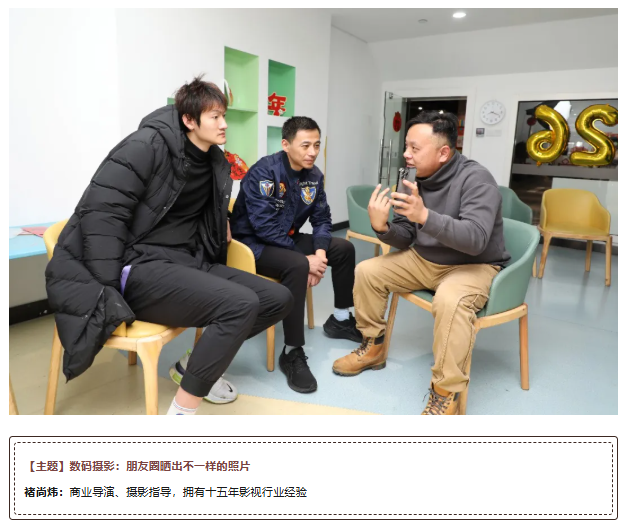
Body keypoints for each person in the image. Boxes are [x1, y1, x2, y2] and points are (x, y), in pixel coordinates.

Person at [45, 76, 293, 415]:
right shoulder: (145, 146)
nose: (224, 124)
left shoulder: (213, 160)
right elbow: (102, 214)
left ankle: (192, 366)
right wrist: (108, 289)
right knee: (240, 305)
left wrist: (220, 219)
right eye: (215, 117)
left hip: (185, 261)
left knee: (277, 298)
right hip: (136, 268)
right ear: (189, 120)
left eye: (224, 116)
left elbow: (186, 206)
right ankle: (180, 414)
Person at [332, 111, 510, 415]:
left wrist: (425, 216)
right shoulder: (411, 178)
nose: (406, 154)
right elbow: (405, 235)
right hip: (425, 258)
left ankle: (446, 392)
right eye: (407, 146)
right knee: (368, 271)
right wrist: (382, 227)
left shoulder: (477, 179)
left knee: (451, 301)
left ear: (443, 153)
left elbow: (476, 239)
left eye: (415, 148)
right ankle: (373, 347)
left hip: (472, 264)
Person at [228, 116, 360, 393]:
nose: (312, 152)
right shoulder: (265, 172)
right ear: (286, 145)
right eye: (305, 145)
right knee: (298, 265)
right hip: (252, 245)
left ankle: (340, 319)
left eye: (317, 145)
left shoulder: (314, 176)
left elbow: (322, 218)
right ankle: (292, 351)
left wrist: (319, 254)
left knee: (344, 249)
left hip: (285, 238)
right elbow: (263, 226)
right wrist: (305, 260)